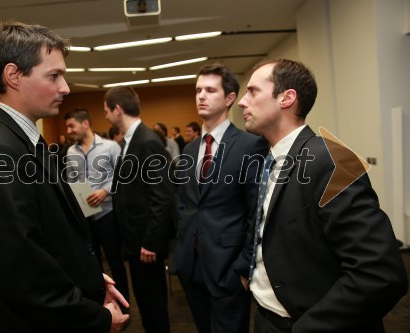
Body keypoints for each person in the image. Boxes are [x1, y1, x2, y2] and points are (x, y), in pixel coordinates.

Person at [0, 21, 129, 332]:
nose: (65, 88)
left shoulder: (22, 141)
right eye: (54, 76)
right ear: (13, 76)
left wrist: (88, 277)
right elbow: (20, 271)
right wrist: (96, 318)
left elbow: (45, 235)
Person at [238, 58, 408, 333]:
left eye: (253, 91)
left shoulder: (334, 160)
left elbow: (379, 274)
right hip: (267, 318)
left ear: (287, 98)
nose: (242, 102)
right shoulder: (267, 160)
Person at [173, 63, 268, 333]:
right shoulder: (190, 149)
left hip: (228, 267)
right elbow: (185, 202)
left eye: (210, 90)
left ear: (229, 98)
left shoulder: (251, 145)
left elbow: (256, 212)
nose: (201, 96)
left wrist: (243, 267)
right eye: (198, 90)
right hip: (191, 266)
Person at [104, 86, 174, 333]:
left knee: (153, 307)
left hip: (146, 245)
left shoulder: (146, 141)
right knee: (145, 303)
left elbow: (162, 196)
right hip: (136, 242)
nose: (106, 117)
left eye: (107, 111)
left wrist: (151, 242)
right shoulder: (131, 140)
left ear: (118, 110)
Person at [64, 108, 130, 309]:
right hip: (85, 218)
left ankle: (123, 304)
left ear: (85, 124)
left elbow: (122, 176)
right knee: (93, 266)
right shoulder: (70, 152)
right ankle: (102, 306)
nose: (68, 131)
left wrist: (105, 191)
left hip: (107, 214)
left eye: (71, 125)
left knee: (115, 262)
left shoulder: (110, 147)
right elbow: (71, 181)